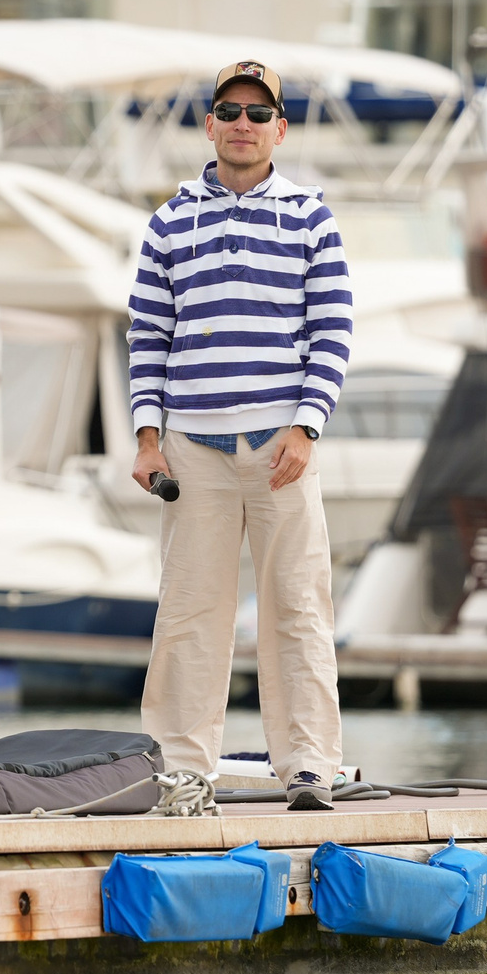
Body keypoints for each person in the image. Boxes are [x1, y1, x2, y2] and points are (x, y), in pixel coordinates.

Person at [128, 60, 351, 811]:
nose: (243, 124)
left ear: (280, 129)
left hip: (283, 448)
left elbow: (332, 331)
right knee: (189, 614)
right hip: (193, 449)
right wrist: (148, 438)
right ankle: (182, 771)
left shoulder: (312, 218)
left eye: (259, 114)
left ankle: (310, 765)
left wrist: (307, 427)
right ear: (210, 125)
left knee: (298, 607)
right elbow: (148, 336)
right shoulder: (169, 222)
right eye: (230, 111)